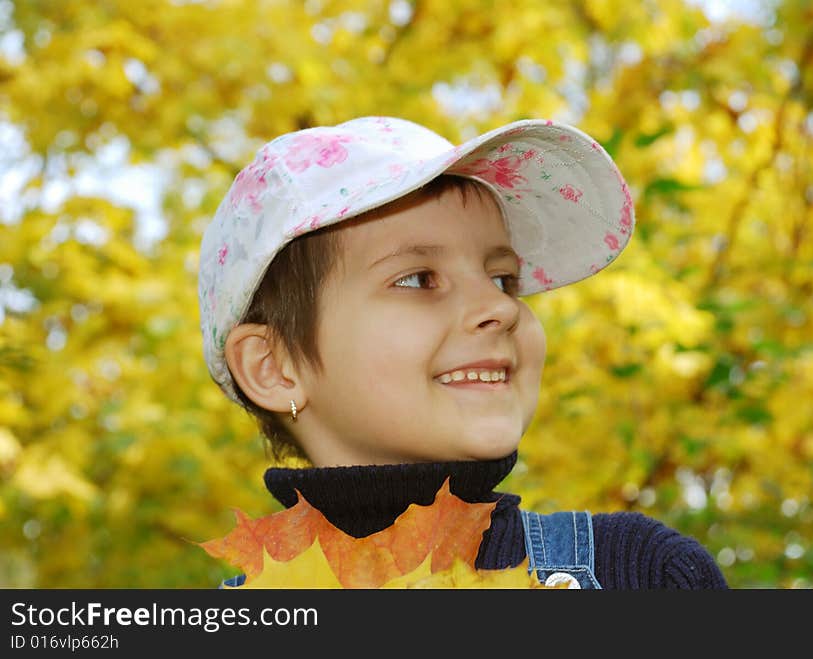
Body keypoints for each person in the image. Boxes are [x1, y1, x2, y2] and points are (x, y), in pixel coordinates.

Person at [198, 115, 728, 589]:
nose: (499, 308)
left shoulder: (639, 575)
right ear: (274, 368)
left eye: (502, 278)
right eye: (418, 279)